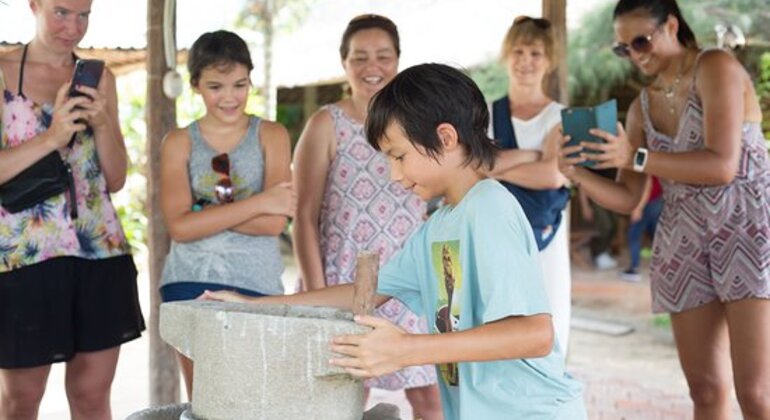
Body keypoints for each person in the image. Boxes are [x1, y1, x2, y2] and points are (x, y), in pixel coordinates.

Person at [206, 63, 586, 420]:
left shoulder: (488, 207)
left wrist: (407, 350)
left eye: (399, 156)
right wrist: (257, 306)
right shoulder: (437, 226)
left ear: (446, 137)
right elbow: (365, 292)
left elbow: (534, 333)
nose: (394, 174)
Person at [559, 0, 770, 417]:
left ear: (671, 25)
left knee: (757, 393)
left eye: (641, 40)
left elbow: (722, 165)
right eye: (624, 48)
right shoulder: (641, 105)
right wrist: (577, 175)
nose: (636, 55)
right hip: (684, 241)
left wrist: (634, 156)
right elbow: (629, 197)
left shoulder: (715, 68)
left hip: (747, 229)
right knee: (706, 390)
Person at [290, 14, 441, 418]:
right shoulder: (326, 124)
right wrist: (316, 297)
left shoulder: (418, 123)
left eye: (383, 56)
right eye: (359, 57)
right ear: (344, 63)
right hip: (344, 281)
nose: (371, 67)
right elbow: (303, 216)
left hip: (411, 279)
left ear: (398, 61)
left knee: (430, 396)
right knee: (346, 397)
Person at [0, 0, 145, 418]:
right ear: (35, 5)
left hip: (99, 251)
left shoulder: (101, 79)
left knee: (91, 396)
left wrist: (102, 124)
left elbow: (115, 179)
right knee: (21, 400)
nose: (73, 26)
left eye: (84, 15)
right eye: (61, 12)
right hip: (24, 257)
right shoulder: (5, 70)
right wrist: (52, 137)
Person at [158, 30, 295, 399]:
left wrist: (204, 212)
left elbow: (275, 222)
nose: (230, 97)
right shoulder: (179, 142)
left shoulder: (271, 134)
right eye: (216, 86)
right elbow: (180, 228)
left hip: (257, 280)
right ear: (196, 86)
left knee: (255, 396)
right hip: (189, 279)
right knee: (204, 396)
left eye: (240, 84)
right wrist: (260, 201)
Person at [487, 15, 572, 356]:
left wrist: (496, 167)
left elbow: (553, 176)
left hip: (546, 236)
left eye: (535, 53)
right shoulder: (487, 116)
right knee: (496, 324)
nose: (526, 62)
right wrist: (530, 155)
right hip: (495, 235)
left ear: (549, 61)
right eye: (518, 51)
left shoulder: (561, 116)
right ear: (506, 56)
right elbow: (472, 168)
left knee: (547, 326)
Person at [619, 175, 662, 282]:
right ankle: (664, 269)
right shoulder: (657, 161)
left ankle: (634, 269)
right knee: (657, 235)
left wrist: (638, 208)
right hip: (657, 200)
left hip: (649, 202)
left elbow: (647, 184)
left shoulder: (644, 162)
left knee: (634, 234)